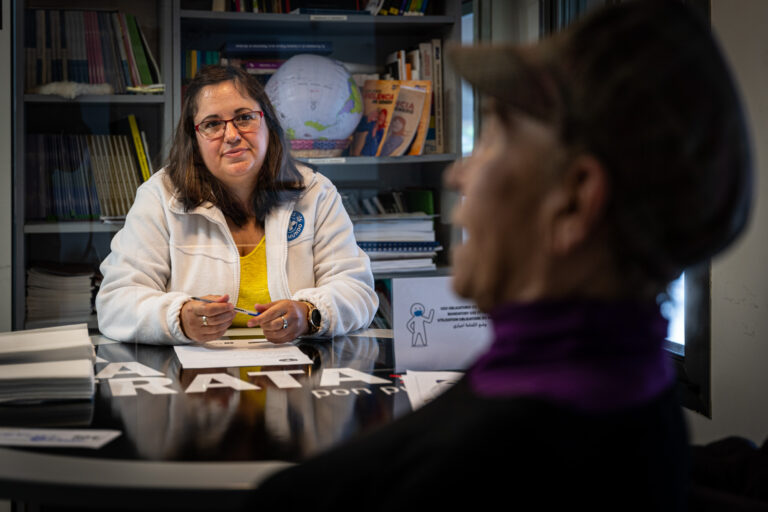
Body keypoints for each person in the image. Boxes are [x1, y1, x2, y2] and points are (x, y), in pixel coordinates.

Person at [251, 0, 752, 509]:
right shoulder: (637, 391)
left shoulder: (482, 469)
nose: (457, 175)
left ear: (575, 200)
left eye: (494, 137)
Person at [96, 65, 378, 344]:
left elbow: (358, 291)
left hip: (299, 372)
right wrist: (178, 317)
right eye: (212, 124)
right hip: (196, 378)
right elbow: (116, 302)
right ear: (194, 139)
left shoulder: (315, 193)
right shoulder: (159, 196)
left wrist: (308, 314)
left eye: (244, 118)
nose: (231, 135)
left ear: (268, 123)